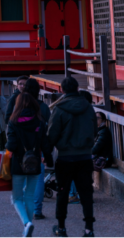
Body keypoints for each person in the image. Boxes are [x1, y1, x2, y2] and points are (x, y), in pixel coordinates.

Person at [47, 76, 97, 238]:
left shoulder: (59, 109)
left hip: (65, 157)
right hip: (85, 156)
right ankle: (89, 228)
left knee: (62, 192)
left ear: (62, 90)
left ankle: (61, 228)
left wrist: (46, 152)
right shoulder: (88, 108)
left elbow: (52, 134)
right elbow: (94, 130)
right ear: (77, 88)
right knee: (86, 193)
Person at [6, 90, 53, 238]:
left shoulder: (13, 122)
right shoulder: (39, 121)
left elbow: (11, 145)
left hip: (18, 164)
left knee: (16, 198)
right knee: (30, 195)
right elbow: (45, 143)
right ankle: (28, 225)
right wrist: (49, 159)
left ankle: (27, 223)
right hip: (35, 163)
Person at [23, 78, 50, 221]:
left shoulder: (19, 106)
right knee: (39, 179)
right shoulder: (43, 107)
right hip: (37, 148)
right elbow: (47, 130)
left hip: (22, 148)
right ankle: (37, 210)